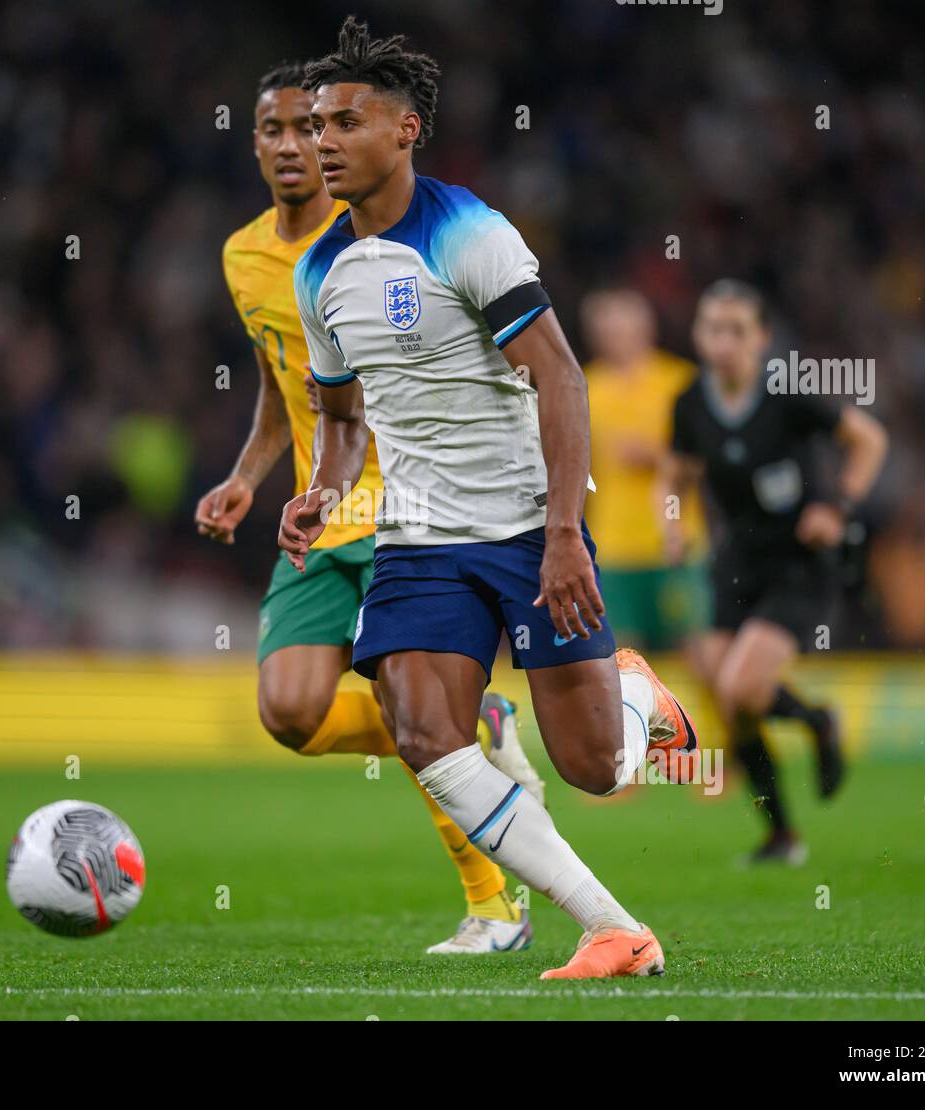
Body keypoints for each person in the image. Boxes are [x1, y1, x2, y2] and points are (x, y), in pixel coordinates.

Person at [280, 17, 701, 979]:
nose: (322, 143)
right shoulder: (320, 273)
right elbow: (345, 419)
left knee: (593, 768)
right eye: (313, 126)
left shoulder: (468, 231)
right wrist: (319, 493)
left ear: (404, 130)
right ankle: (614, 929)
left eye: (344, 122)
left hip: (524, 525)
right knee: (424, 732)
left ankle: (635, 700)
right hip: (418, 536)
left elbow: (561, 379)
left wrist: (563, 538)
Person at [195, 61, 542, 954]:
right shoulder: (246, 258)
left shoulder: (386, 242)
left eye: (307, 130)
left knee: (409, 706)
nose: (291, 147)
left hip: (408, 506)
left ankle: (492, 904)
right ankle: (477, 731)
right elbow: (291, 382)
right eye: (271, 131)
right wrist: (248, 474)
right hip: (322, 507)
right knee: (290, 713)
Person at [658, 280, 888, 863]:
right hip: (734, 562)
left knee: (741, 687)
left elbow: (869, 439)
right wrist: (670, 525)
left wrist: (839, 506)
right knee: (727, 700)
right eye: (714, 328)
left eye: (738, 330)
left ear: (760, 338)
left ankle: (817, 722)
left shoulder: (787, 395)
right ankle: (782, 835)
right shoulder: (689, 403)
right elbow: (674, 476)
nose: (725, 341)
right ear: (699, 336)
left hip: (797, 564)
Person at [580, 289, 707, 651]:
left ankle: (718, 710)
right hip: (613, 548)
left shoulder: (680, 382)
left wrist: (653, 456)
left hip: (675, 540)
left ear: (646, 328)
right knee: (621, 657)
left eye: (622, 327)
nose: (613, 337)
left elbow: (704, 464)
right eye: (605, 329)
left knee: (699, 650)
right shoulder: (584, 384)